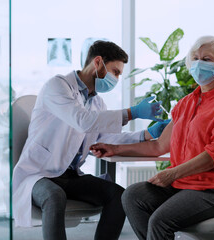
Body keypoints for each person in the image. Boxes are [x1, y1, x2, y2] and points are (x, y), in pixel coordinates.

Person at [90, 36, 214, 240]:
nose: (199, 63)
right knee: (132, 196)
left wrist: (172, 174)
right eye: (195, 58)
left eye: (207, 59)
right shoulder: (185, 104)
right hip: (186, 185)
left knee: (160, 221)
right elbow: (158, 146)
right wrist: (115, 149)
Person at [12, 40, 170, 240]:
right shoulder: (57, 86)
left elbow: (105, 137)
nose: (117, 78)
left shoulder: (96, 102)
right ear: (98, 62)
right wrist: (133, 112)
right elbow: (83, 121)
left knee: (118, 195)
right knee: (54, 196)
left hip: (69, 176)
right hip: (38, 175)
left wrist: (147, 135)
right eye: (115, 71)